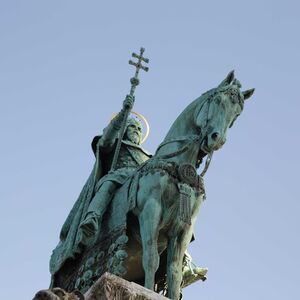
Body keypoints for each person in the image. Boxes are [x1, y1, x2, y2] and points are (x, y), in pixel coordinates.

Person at [77, 94, 151, 245]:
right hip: (119, 176)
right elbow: (105, 141)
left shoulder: (149, 155)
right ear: (124, 130)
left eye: (139, 129)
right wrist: (124, 113)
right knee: (108, 185)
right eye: (133, 127)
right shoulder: (116, 144)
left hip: (142, 180)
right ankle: (92, 218)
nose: (137, 131)